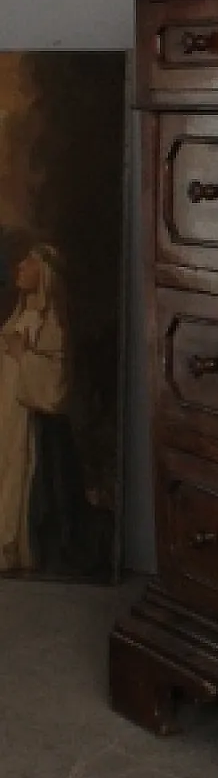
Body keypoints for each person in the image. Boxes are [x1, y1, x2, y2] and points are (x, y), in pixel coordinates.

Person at [0, 244, 74, 572]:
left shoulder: (53, 322)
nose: (19, 267)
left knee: (18, 473)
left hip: (26, 419)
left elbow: (56, 384)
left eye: (27, 262)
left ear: (44, 273)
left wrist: (22, 356)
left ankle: (12, 547)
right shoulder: (18, 315)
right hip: (5, 411)